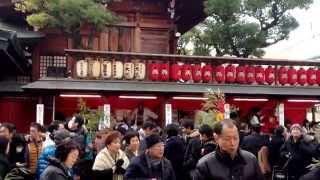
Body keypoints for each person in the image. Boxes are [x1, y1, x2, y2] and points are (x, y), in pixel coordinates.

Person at [193, 119, 264, 180]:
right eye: (227, 139)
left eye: (235, 138)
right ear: (216, 138)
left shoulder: (251, 159)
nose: (232, 143)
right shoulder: (205, 165)